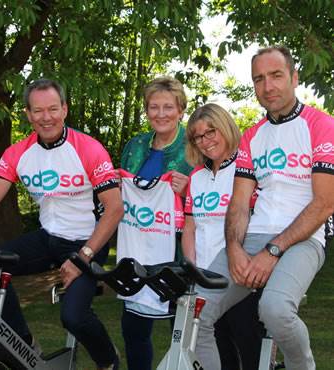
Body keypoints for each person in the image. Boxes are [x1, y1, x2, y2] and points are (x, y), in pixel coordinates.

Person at [0, 79, 123, 370]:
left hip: (88, 242)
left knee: (73, 317)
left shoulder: (88, 148)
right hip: (49, 238)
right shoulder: (18, 153)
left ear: (64, 109)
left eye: (53, 109)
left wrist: (83, 256)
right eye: (38, 110)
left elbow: (115, 209)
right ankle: (23, 343)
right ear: (27, 114)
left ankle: (108, 360)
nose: (46, 117)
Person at [194, 46, 334, 370]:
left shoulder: (322, 125)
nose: (267, 86)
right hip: (255, 235)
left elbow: (325, 203)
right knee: (196, 310)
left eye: (276, 76)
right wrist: (233, 248)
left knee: (274, 309)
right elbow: (240, 202)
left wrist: (272, 251)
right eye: (259, 79)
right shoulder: (251, 136)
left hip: (304, 238)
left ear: (294, 78)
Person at [118, 76, 192, 370]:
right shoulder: (135, 146)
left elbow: (217, 194)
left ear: (181, 110)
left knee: (184, 333)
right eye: (153, 107)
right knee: (134, 331)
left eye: (168, 107)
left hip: (180, 255)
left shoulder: (195, 145)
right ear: (146, 111)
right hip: (137, 251)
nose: (160, 114)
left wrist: (188, 191)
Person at [182, 103, 263, 370]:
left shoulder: (247, 167)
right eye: (198, 136)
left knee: (250, 357)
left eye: (211, 132)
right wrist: (192, 271)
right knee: (217, 355)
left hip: (241, 279)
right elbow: (190, 228)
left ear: (225, 127)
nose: (205, 142)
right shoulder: (196, 176)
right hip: (205, 282)